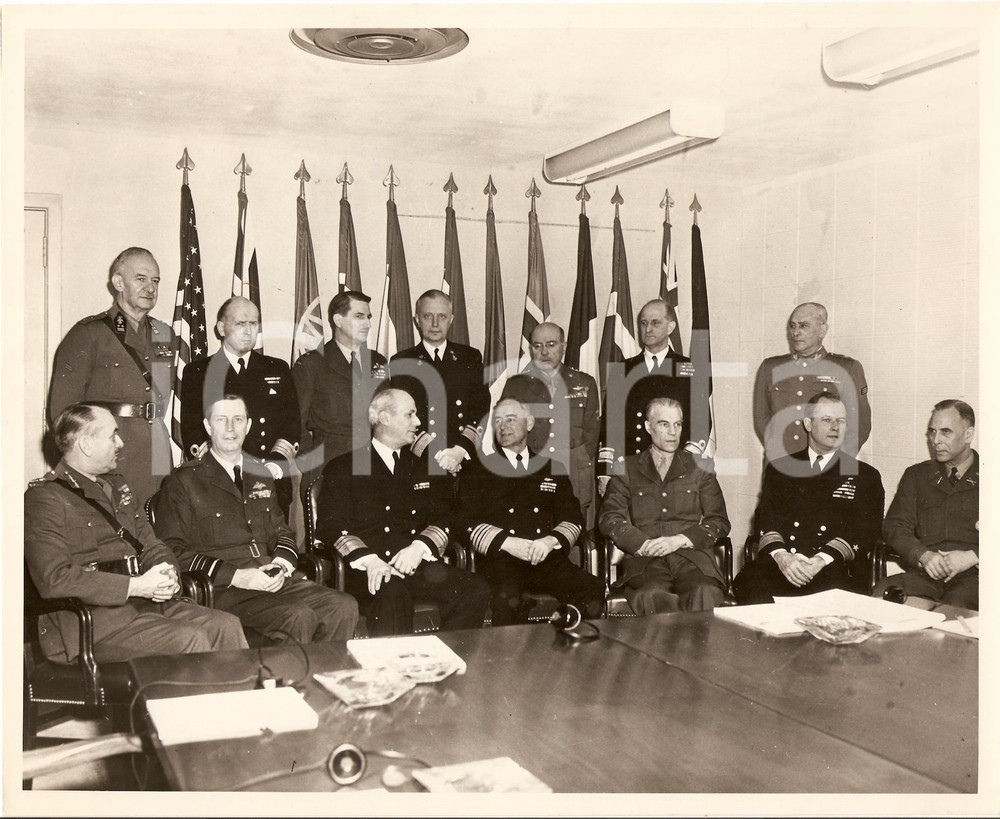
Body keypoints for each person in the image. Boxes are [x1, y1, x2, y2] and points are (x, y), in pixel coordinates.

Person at [24, 403, 248, 664]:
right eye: (112, 435)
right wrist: (137, 586)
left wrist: (167, 574)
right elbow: (55, 578)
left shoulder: (118, 487)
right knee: (191, 638)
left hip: (145, 606)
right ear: (86, 444)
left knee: (226, 625)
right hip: (93, 625)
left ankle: (236, 705)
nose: (120, 443)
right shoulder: (45, 498)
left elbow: (151, 544)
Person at [153, 395, 359, 644]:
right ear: (208, 427)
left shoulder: (260, 472)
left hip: (268, 576)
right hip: (222, 588)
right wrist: (237, 576)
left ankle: (324, 677)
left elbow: (281, 532)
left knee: (342, 605)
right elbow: (173, 550)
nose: (230, 428)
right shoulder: (183, 481)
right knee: (296, 614)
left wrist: (281, 565)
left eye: (238, 419)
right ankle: (287, 681)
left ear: (248, 426)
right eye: (221, 420)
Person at [316, 388, 491, 636]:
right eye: (410, 414)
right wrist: (371, 561)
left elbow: (447, 517)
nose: (418, 422)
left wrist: (419, 547)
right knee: (393, 593)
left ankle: (443, 660)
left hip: (414, 563)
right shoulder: (343, 467)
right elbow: (331, 525)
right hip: (367, 570)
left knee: (474, 589)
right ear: (385, 418)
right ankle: (396, 673)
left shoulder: (422, 466)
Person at [458, 397, 605, 626]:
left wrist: (550, 541)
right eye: (497, 421)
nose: (503, 427)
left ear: (529, 423)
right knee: (509, 600)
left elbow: (572, 517)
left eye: (510, 419)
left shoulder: (551, 466)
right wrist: (508, 543)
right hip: (502, 561)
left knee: (592, 588)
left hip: (545, 559)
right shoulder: (478, 469)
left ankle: (572, 654)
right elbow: (466, 521)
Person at [48, 247, 175, 506]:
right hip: (111, 450)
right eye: (141, 278)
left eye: (155, 280)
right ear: (118, 282)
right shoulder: (89, 333)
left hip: (157, 450)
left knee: (160, 523)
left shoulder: (165, 335)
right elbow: (62, 414)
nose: (150, 288)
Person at [733, 392, 884, 604]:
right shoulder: (781, 468)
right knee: (750, 585)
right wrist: (782, 557)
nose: (835, 427)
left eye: (841, 420)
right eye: (827, 420)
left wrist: (820, 561)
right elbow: (766, 518)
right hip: (783, 564)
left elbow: (866, 530)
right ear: (808, 424)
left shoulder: (864, 475)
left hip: (834, 568)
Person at [599, 398, 730, 614]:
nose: (673, 432)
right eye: (664, 424)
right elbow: (609, 518)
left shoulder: (701, 467)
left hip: (692, 557)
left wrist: (680, 540)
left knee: (704, 591)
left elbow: (719, 521)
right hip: (646, 558)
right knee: (651, 595)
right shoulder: (627, 468)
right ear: (648, 427)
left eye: (677, 424)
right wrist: (642, 543)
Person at [180, 297, 299, 515]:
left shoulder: (277, 369)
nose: (248, 331)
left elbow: (291, 425)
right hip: (219, 481)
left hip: (270, 477)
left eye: (253, 324)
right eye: (240, 324)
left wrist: (274, 465)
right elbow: (192, 430)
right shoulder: (198, 372)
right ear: (221, 328)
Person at [874, 400, 978, 610]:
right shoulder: (916, 475)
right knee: (883, 596)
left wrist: (972, 556)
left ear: (968, 435)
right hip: (925, 574)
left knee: (954, 611)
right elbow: (895, 526)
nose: (935, 440)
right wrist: (923, 556)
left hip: (975, 578)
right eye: (932, 432)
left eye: (945, 432)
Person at [501, 321, 600, 528]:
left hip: (574, 471)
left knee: (575, 534)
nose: (544, 351)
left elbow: (592, 433)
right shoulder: (517, 385)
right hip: (534, 468)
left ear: (563, 346)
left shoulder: (585, 382)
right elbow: (505, 432)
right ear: (531, 349)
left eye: (551, 344)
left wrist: (577, 458)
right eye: (537, 346)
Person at [598, 299, 697, 495]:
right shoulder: (623, 370)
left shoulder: (689, 369)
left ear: (671, 327)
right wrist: (605, 472)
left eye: (655, 322)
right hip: (629, 470)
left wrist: (686, 468)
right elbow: (610, 425)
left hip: (673, 470)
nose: (648, 329)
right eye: (643, 323)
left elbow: (700, 425)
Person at [291, 291, 387, 490]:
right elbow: (295, 420)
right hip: (329, 466)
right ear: (338, 320)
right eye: (359, 317)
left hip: (374, 464)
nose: (367, 324)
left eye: (368, 317)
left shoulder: (377, 362)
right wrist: (310, 462)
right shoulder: (312, 364)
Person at [753, 302, 871, 462]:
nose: (795, 332)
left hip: (823, 467)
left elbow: (859, 425)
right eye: (792, 326)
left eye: (803, 326)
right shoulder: (770, 367)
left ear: (822, 330)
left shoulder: (847, 368)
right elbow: (762, 418)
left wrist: (834, 463)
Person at [390, 289, 491, 474]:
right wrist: (441, 458)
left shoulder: (469, 357)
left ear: (451, 319)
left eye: (442, 316)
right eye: (428, 316)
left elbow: (480, 408)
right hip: (422, 462)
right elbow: (403, 417)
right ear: (417, 320)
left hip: (464, 457)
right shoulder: (401, 361)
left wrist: (459, 451)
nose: (435, 324)